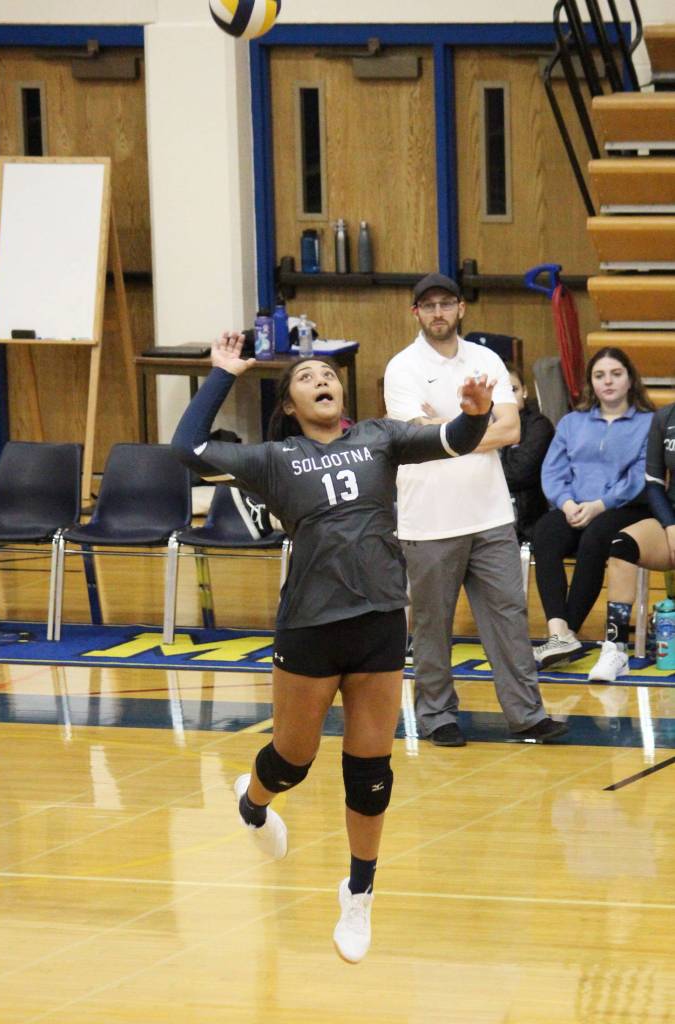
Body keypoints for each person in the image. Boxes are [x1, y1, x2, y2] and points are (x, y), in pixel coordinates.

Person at [171, 331, 494, 963]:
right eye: (306, 377)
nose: (322, 380)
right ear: (290, 402)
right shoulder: (273, 457)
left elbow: (454, 440)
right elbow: (186, 449)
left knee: (370, 774)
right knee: (292, 760)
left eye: (329, 374)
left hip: (377, 619)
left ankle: (360, 892)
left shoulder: (379, 438)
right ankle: (253, 803)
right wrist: (223, 374)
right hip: (310, 625)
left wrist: (476, 413)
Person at [384, 272, 567, 748]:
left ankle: (527, 715)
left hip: (489, 515)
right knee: (431, 625)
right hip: (428, 519)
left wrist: (444, 428)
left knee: (509, 617)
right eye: (429, 306)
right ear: (416, 313)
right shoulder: (401, 368)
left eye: (447, 303)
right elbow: (414, 440)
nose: (438, 312)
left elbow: (510, 431)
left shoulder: (486, 359)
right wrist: (457, 430)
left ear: (461, 308)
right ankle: (437, 715)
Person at [531, 347, 654, 670]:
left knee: (595, 539)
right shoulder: (573, 422)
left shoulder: (647, 422)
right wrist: (567, 503)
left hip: (625, 507)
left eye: (616, 374)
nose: (608, 381)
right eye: (600, 376)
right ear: (591, 383)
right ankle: (558, 631)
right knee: (545, 533)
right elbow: (553, 471)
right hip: (574, 505)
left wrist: (600, 505)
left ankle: (568, 630)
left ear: (630, 380)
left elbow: (640, 475)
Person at [587, 399, 675, 682]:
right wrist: (671, 526)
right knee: (622, 546)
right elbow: (654, 483)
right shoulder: (665, 417)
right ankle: (616, 649)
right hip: (671, 520)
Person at [500, 363, 555, 543]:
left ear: (524, 391)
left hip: (524, 523)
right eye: (500, 391)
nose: (507, 398)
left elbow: (519, 473)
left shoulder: (539, 426)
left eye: (513, 389)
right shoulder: (480, 427)